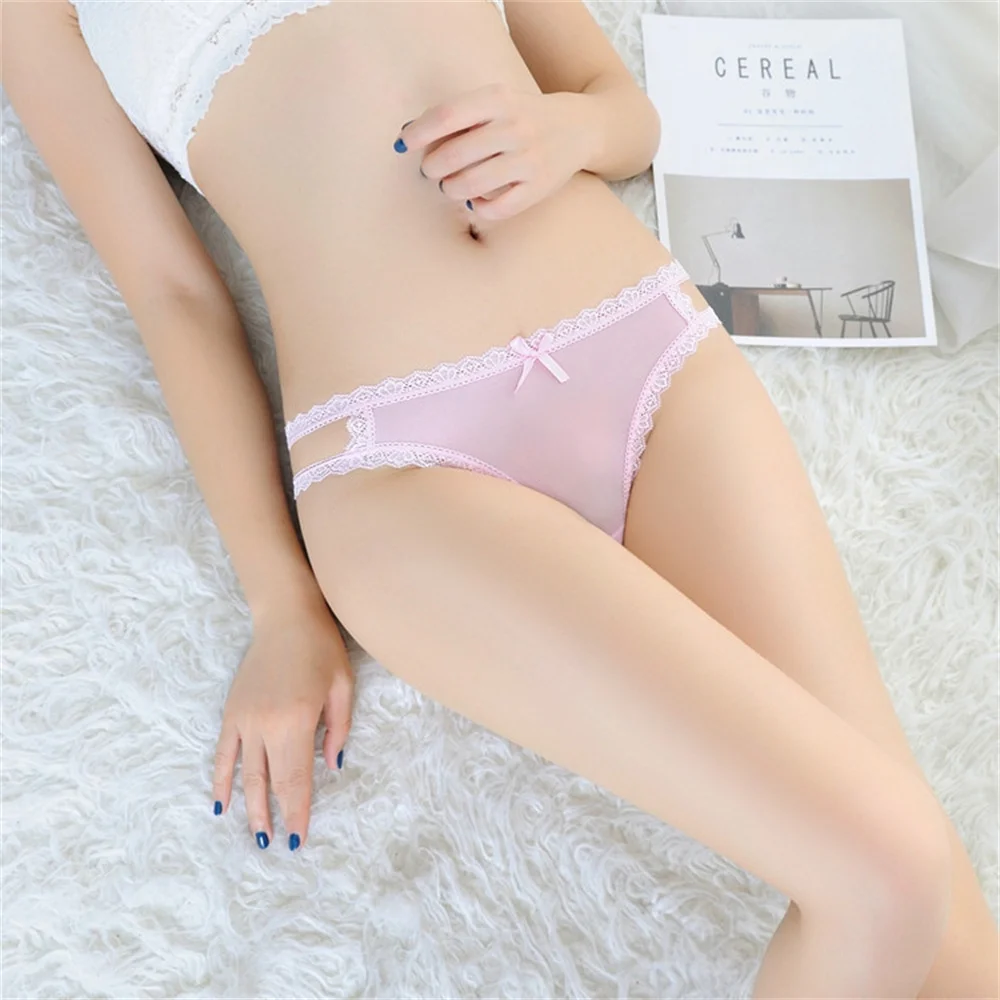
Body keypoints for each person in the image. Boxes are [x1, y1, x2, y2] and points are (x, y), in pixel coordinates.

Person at [4, 1, 997, 995]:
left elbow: (623, 110)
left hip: (648, 356)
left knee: (943, 925)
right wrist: (282, 602)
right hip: (405, 462)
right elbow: (172, 291)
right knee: (893, 866)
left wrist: (569, 128)